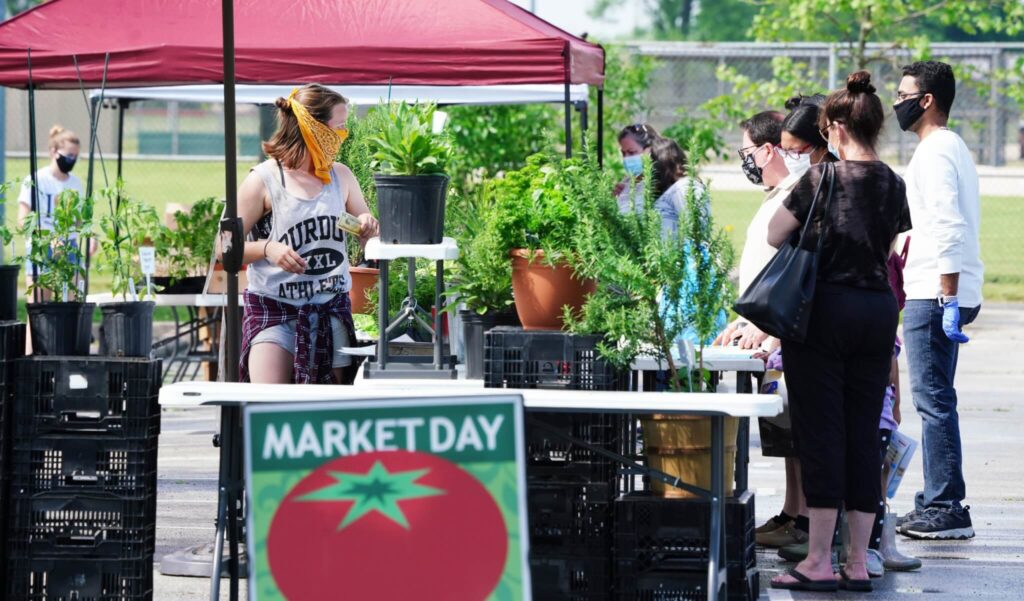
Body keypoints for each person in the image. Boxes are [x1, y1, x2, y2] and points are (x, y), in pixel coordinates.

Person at [768, 71, 911, 593]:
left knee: (821, 432)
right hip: (877, 313)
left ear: (835, 128)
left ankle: (818, 561)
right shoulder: (894, 182)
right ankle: (858, 562)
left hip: (824, 311)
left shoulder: (820, 179)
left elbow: (775, 233)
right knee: (863, 432)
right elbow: (888, 245)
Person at [232, 84, 379, 385]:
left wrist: (367, 225)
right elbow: (223, 247)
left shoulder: (341, 176)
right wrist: (267, 248)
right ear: (314, 129)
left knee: (330, 407)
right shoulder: (263, 180)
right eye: (339, 127)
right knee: (270, 404)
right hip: (275, 311)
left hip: (330, 311)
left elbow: (368, 233)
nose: (344, 135)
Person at [893, 60, 983, 540]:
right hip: (936, 288)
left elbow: (949, 222)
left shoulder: (937, 151)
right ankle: (935, 498)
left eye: (903, 94)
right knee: (935, 398)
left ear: (926, 100)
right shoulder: (946, 147)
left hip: (935, 292)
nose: (896, 103)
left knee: (933, 401)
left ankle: (947, 505)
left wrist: (948, 296)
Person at [17, 125, 84, 301]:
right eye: (69, 155)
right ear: (54, 151)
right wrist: (46, 237)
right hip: (41, 247)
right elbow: (22, 220)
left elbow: (79, 221)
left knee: (73, 302)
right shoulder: (36, 180)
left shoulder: (75, 184)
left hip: (68, 246)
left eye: (75, 156)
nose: (72, 160)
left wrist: (87, 235)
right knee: (39, 306)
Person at [613, 123, 660, 212]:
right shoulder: (628, 180)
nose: (626, 158)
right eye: (623, 153)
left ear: (649, 150)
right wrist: (616, 197)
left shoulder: (660, 182)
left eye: (631, 152)